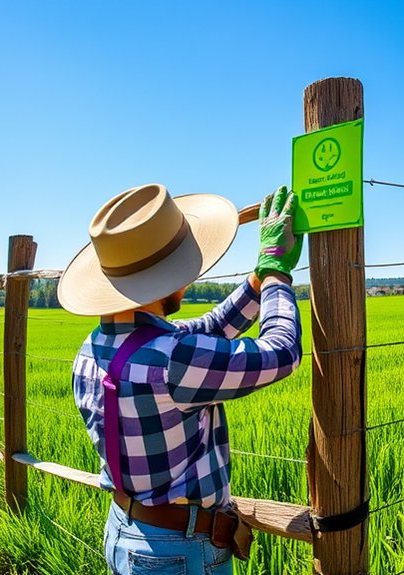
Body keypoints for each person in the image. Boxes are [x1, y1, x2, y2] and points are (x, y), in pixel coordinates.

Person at [58, 183, 304, 574]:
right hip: (179, 551)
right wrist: (276, 272)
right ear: (162, 279)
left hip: (124, 528)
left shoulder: (93, 348)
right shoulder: (172, 358)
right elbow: (281, 352)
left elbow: (207, 329)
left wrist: (257, 280)